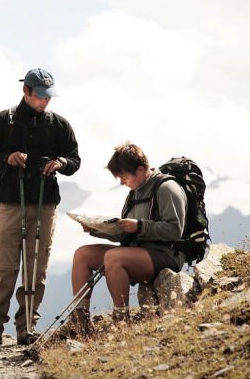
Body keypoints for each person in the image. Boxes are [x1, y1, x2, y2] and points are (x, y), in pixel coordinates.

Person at [0, 68, 81, 347]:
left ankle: (27, 328)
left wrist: (60, 164)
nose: (45, 101)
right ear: (26, 91)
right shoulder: (2, 121)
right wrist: (8, 158)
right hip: (10, 200)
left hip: (45, 202)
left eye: (48, 96)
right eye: (41, 95)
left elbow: (74, 160)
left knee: (36, 267)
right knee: (4, 266)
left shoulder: (59, 125)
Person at [63, 142, 187, 337]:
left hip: (165, 255)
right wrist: (96, 230)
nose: (122, 182)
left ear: (140, 169)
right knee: (83, 254)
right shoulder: (134, 194)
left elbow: (174, 230)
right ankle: (80, 321)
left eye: (123, 177)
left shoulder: (166, 188)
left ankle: (121, 321)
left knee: (114, 257)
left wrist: (139, 226)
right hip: (137, 252)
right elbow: (126, 234)